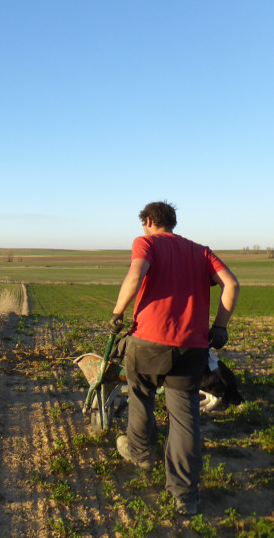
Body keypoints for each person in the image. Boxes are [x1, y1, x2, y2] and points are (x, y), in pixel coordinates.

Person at [109, 201, 239, 515]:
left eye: (144, 223)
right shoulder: (202, 251)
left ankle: (141, 454)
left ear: (150, 220)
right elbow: (232, 284)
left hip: (149, 343)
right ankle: (186, 496)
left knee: (141, 395)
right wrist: (219, 326)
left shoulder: (146, 242)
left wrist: (117, 313)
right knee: (184, 419)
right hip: (191, 347)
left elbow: (135, 274)